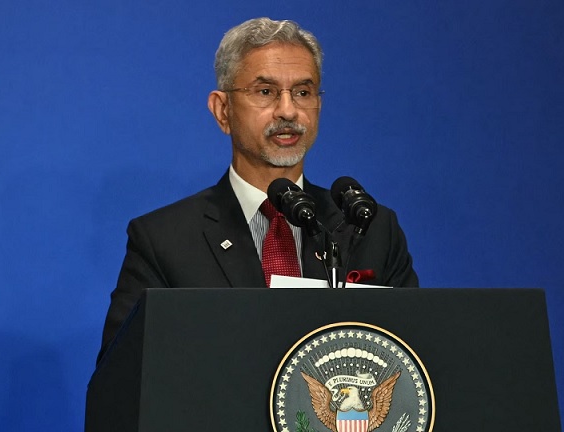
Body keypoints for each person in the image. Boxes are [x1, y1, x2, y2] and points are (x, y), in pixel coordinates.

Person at [97, 18, 418, 363]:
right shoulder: (164, 241)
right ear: (223, 111)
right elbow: (124, 382)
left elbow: (414, 359)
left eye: (303, 92)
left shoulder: (371, 228)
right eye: (265, 92)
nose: (288, 110)